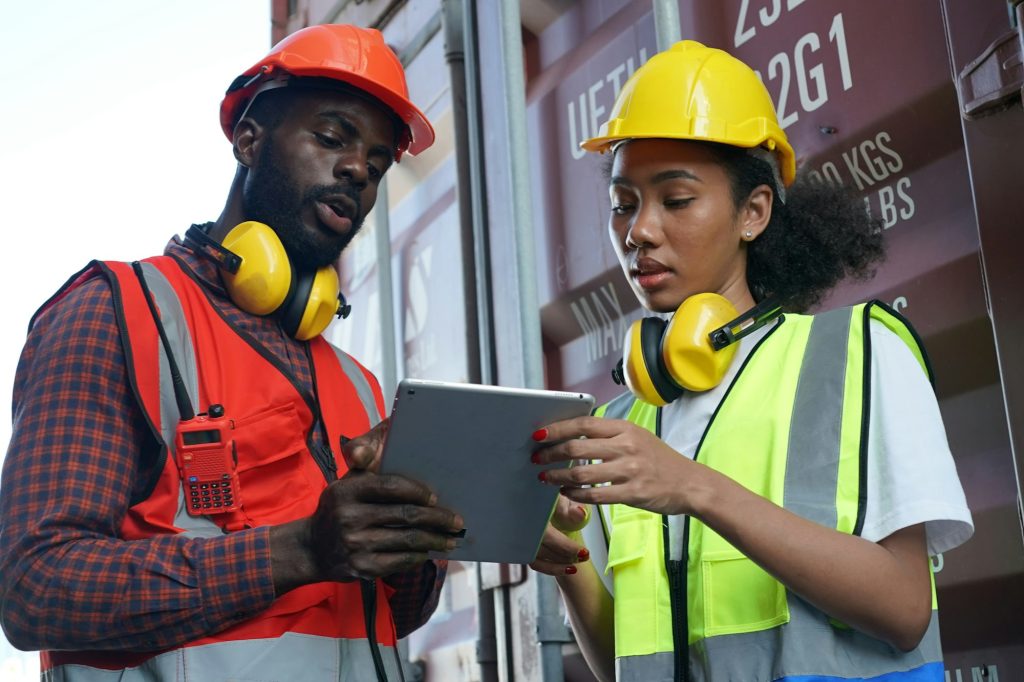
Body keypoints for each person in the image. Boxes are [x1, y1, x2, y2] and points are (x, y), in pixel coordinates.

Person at [0, 24, 463, 682]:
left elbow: (388, 616)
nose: (359, 169)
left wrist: (413, 538)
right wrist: (300, 549)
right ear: (250, 139)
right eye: (332, 137)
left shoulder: (358, 386)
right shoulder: (117, 314)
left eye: (378, 162)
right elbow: (34, 589)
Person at [528, 41, 973, 682]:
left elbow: (904, 610)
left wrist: (694, 488)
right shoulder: (623, 422)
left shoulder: (856, 351)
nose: (639, 231)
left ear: (753, 212)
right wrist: (568, 564)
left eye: (675, 200)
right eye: (623, 204)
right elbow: (629, 664)